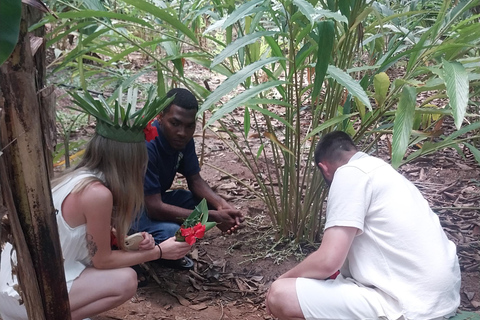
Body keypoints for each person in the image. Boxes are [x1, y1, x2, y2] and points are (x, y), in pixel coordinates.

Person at [0, 93, 192, 320]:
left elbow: (90, 245)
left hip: (17, 282)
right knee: (126, 280)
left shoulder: (82, 176)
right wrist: (159, 251)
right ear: (130, 160)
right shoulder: (98, 194)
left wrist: (131, 245)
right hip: (24, 295)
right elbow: (102, 261)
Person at [266, 131, 461, 320]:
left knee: (280, 294)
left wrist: (284, 278)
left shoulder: (348, 174)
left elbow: (328, 261)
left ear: (324, 168)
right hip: (440, 301)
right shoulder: (381, 170)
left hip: (410, 306)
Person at [131, 88, 244, 269]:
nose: (182, 132)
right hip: (128, 212)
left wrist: (220, 205)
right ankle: (150, 255)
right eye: (175, 123)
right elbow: (154, 208)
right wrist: (212, 218)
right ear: (160, 117)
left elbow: (195, 180)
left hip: (151, 202)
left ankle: (167, 249)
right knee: (174, 233)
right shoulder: (146, 145)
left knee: (200, 204)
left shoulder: (182, 139)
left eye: (189, 126)